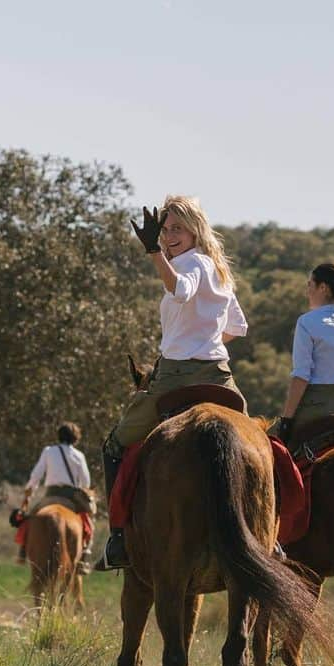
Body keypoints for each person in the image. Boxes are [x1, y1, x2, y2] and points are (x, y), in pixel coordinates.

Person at [98, 196, 249, 569]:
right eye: (164, 231)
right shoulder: (219, 270)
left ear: (196, 229)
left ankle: (118, 537)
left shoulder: (190, 263)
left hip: (176, 377)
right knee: (260, 442)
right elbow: (237, 328)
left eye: (176, 228)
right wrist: (203, 339)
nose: (168, 236)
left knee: (115, 444)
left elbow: (180, 289)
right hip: (219, 375)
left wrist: (153, 253)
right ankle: (269, 535)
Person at [270, 262, 334, 445]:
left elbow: (301, 376)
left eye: (310, 284)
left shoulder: (306, 322)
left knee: (271, 446)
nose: (307, 291)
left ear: (323, 288)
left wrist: (286, 420)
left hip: (314, 409)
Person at [19, 422, 96, 570]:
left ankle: (22, 551)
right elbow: (86, 482)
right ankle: (84, 556)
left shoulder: (48, 451)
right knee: (89, 524)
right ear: (75, 438)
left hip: (51, 495)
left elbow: (36, 475)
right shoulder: (79, 455)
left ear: (59, 436)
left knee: (29, 520)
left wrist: (29, 491)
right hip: (71, 496)